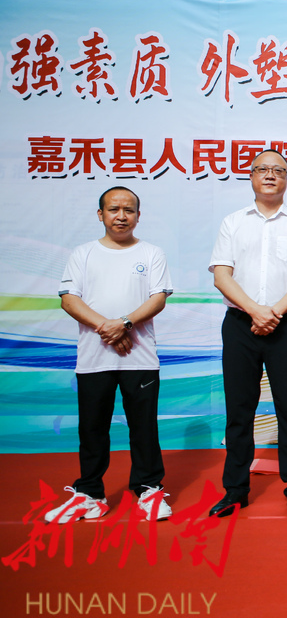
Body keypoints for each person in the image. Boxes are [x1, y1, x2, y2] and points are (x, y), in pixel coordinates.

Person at [208, 149, 287, 518]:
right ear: (251, 176)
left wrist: (272, 313)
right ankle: (235, 490)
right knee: (239, 411)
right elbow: (221, 275)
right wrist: (255, 311)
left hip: (285, 327)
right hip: (240, 326)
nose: (270, 175)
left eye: (279, 170)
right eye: (263, 169)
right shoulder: (233, 223)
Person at [47, 186, 173, 523]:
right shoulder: (83, 254)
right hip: (93, 358)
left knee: (143, 428)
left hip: (140, 357)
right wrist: (108, 328)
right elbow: (69, 299)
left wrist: (124, 323)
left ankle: (149, 489)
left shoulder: (151, 253)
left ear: (138, 216)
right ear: (100, 214)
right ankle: (90, 494)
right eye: (114, 209)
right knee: (92, 429)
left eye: (128, 210)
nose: (121, 216)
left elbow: (158, 298)